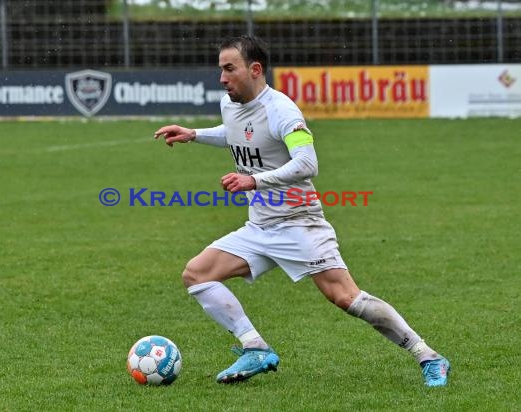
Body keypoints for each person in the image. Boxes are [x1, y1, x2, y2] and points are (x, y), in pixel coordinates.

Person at [153, 35, 450, 387]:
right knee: (197, 274)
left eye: (229, 69)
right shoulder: (229, 105)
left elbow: (307, 163)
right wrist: (194, 134)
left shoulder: (282, 110)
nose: (222, 78)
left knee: (346, 298)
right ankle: (256, 347)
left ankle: (428, 355)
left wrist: (255, 182)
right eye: (221, 69)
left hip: (300, 224)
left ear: (255, 69)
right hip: (260, 227)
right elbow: (238, 134)